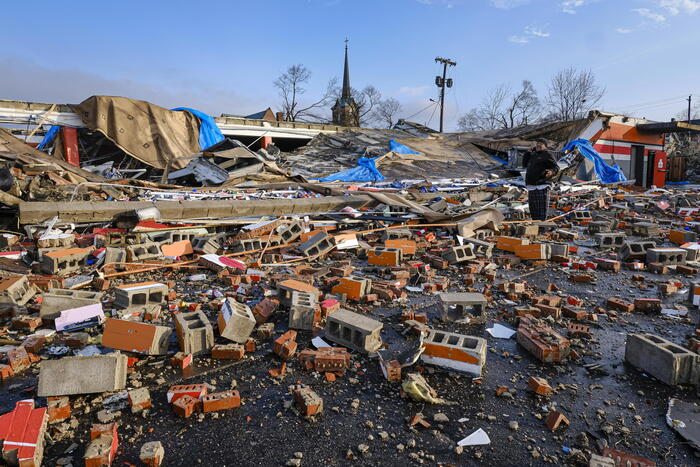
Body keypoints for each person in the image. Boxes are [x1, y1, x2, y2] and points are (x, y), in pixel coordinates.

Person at [522, 138, 559, 221]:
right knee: (533, 209)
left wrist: (551, 171)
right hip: (532, 184)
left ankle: (542, 227)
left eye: (541, 143)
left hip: (542, 184)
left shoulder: (547, 154)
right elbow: (524, 164)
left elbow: (556, 167)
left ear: (545, 146)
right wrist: (527, 153)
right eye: (537, 143)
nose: (538, 145)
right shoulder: (533, 154)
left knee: (541, 209)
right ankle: (535, 226)